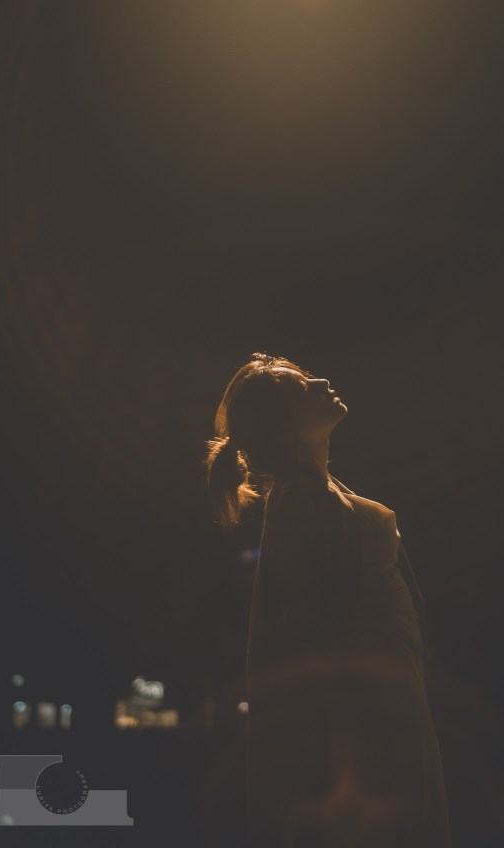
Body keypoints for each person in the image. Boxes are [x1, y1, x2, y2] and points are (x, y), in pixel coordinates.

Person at [204, 352, 452, 847]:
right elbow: (315, 636)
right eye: (301, 388)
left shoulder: (319, 492)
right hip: (370, 712)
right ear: (283, 428)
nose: (320, 381)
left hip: (389, 691)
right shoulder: (302, 502)